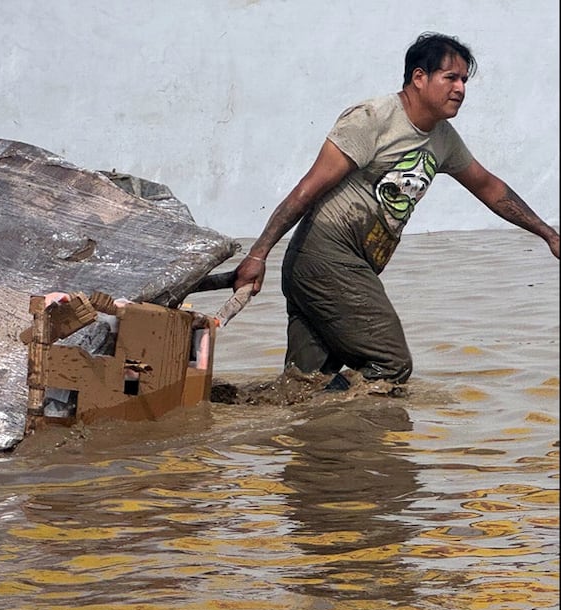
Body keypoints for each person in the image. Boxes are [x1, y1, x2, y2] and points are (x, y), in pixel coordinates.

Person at [233, 32, 560, 390]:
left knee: (301, 388)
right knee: (390, 363)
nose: (461, 88)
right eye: (450, 77)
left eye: (465, 80)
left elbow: (489, 187)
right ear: (419, 78)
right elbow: (305, 191)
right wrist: (257, 254)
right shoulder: (373, 118)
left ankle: (306, 436)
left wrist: (548, 234)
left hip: (342, 266)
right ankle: (357, 429)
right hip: (326, 256)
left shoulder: (442, 138)